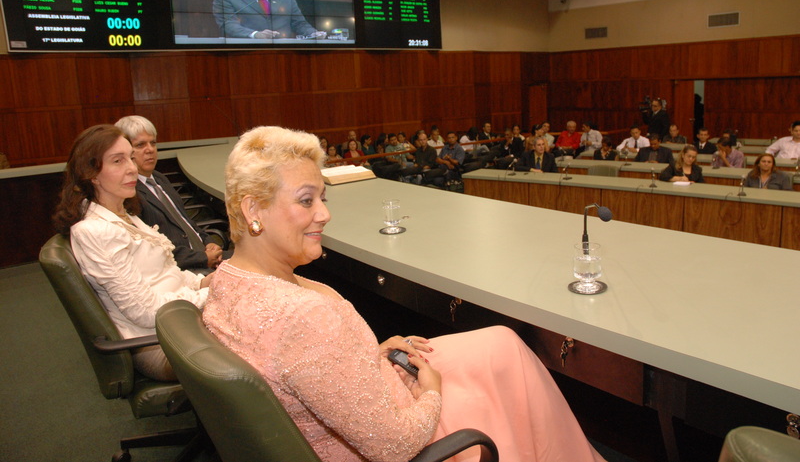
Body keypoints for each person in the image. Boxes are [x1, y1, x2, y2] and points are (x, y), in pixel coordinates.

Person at [202, 126, 606, 462]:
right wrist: (431, 391)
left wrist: (367, 354)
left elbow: (300, 367)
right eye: (306, 200)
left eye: (322, 198)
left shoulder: (225, 281)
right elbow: (395, 445)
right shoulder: (302, 318)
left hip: (370, 386)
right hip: (400, 427)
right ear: (253, 210)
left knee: (502, 344)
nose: (324, 214)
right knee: (508, 378)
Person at [52, 125, 210, 381]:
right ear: (91, 174)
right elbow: (145, 312)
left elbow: (163, 273)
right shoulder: (95, 231)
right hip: (157, 341)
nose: (132, 168)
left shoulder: (125, 214)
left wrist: (202, 282)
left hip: (179, 322)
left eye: (130, 158)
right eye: (118, 161)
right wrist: (210, 295)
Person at [115, 116, 224, 273]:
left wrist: (209, 242)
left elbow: (186, 222)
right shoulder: (130, 195)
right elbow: (154, 251)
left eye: (153, 143)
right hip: (184, 269)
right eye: (140, 145)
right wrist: (203, 258)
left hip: (203, 255)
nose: (150, 149)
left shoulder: (159, 178)